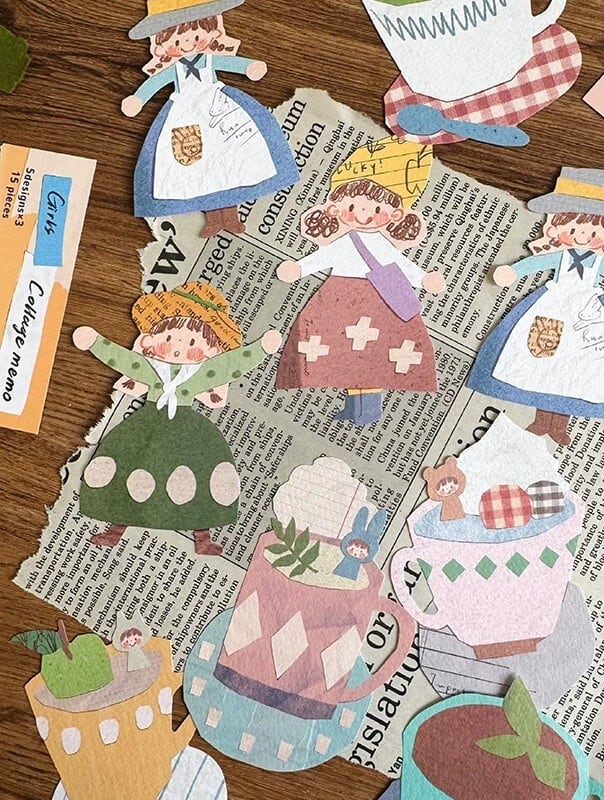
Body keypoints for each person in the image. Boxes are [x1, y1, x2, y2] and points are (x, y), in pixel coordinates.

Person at [74, 282, 282, 555]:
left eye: (193, 343)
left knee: (199, 475)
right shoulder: (150, 368)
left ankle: (203, 538)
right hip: (146, 424)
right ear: (151, 341)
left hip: (189, 430)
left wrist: (261, 349)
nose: (179, 347)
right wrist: (95, 343)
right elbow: (124, 360)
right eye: (170, 337)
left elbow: (229, 366)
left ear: (210, 351)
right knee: (128, 469)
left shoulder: (200, 374)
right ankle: (115, 531)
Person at [469, 168, 604, 445]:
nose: (583, 236)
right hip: (552, 308)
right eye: (575, 229)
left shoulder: (598, 262)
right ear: (556, 226)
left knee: (577, 369)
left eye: (594, 232)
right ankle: (541, 420)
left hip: (589, 316)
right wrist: (514, 272)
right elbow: (537, 263)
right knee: (543, 362)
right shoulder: (561, 256)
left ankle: (559, 425)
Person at [275, 137, 445, 425]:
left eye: (376, 210)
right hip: (339, 297)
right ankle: (356, 407)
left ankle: (369, 409)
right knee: (346, 354)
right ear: (336, 208)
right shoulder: (344, 241)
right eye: (354, 206)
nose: (365, 214)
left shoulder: (380, 243)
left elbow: (401, 265)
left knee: (373, 355)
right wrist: (300, 268)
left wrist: (424, 278)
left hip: (376, 300)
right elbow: (322, 257)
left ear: (393, 215)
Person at [122, 0, 299, 238]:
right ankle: (214, 220)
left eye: (196, 37)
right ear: (162, 43)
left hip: (220, 111)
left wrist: (249, 67)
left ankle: (231, 217)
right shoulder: (174, 69)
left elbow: (232, 63)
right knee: (198, 169)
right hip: (185, 119)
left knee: (230, 160)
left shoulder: (209, 60)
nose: (188, 44)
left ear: (211, 31)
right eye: (178, 41)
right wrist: (138, 99)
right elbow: (155, 82)